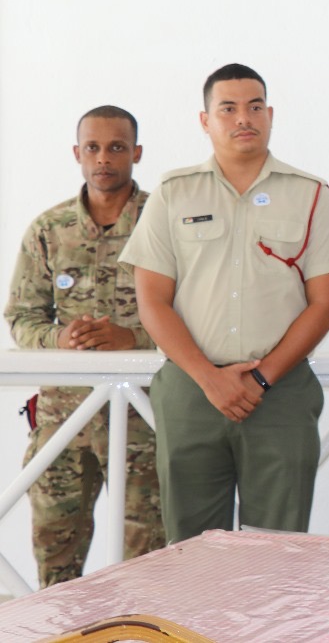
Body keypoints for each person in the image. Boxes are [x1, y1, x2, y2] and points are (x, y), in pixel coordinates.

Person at [120, 64, 329, 542]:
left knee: (277, 550)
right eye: (227, 109)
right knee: (191, 549)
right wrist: (210, 378)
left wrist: (262, 377)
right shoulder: (172, 193)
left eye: (254, 107)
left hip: (279, 394)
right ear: (205, 121)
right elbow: (152, 302)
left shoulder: (311, 195)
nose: (243, 118)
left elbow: (326, 303)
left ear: (270, 115)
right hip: (191, 390)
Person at [4, 106, 165, 587]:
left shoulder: (164, 224)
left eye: (117, 147)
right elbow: (21, 316)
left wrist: (133, 340)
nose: (103, 158)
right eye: (92, 148)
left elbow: (198, 315)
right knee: (56, 557)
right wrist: (61, 338)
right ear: (77, 153)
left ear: (137, 153)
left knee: (149, 562)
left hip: (145, 420)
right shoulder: (49, 229)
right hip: (63, 421)